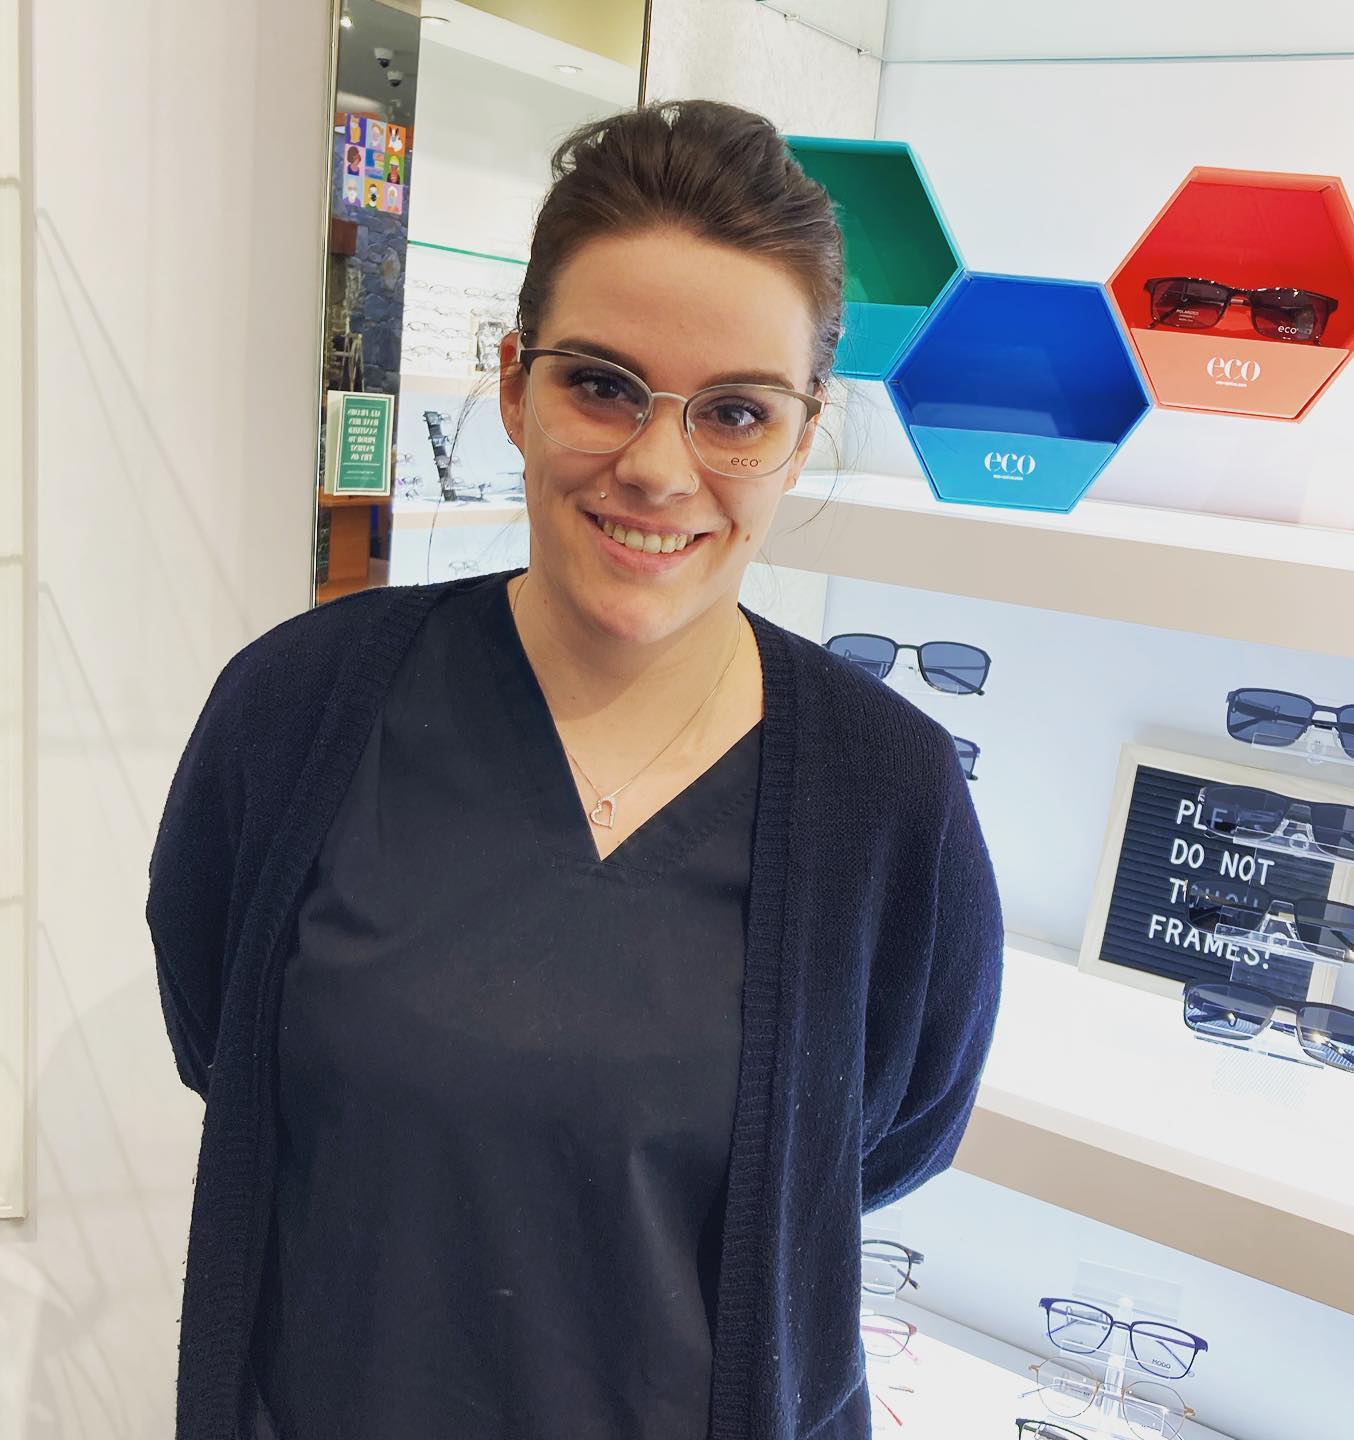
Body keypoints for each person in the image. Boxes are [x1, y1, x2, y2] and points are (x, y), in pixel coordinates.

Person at [147, 99, 1003, 1440]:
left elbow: (882, 1147)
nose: (658, 469)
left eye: (736, 412)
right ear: (512, 385)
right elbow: (222, 1035)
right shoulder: (298, 709)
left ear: (801, 434)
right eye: (601, 385)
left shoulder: (887, 799)